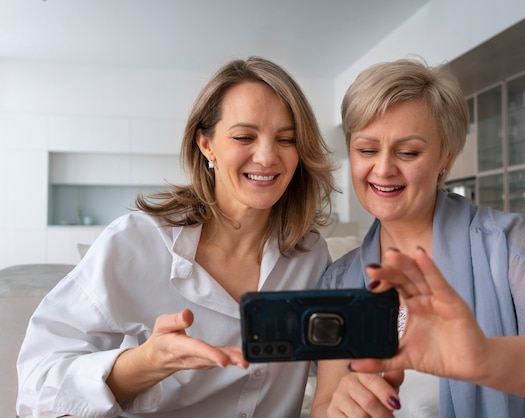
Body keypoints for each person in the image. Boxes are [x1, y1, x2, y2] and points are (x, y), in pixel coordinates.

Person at [17, 56, 336, 417]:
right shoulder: (136, 242)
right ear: (206, 145)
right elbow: (35, 387)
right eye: (244, 137)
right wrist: (146, 363)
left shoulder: (310, 257)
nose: (267, 156)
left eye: (286, 139)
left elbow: (334, 370)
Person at [311, 58, 525, 418]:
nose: (384, 167)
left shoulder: (508, 241)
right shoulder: (337, 282)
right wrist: (338, 409)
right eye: (367, 149)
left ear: (445, 158)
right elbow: (325, 403)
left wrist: (483, 357)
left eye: (408, 152)